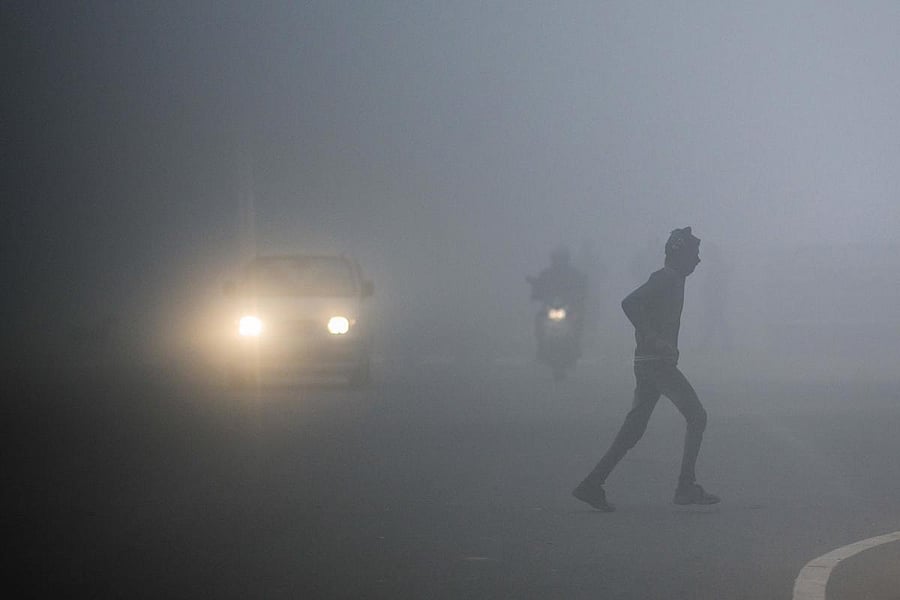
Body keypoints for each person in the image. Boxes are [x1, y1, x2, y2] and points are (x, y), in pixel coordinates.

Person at [572, 227, 719, 511]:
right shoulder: (665, 278)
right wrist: (653, 339)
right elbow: (630, 303)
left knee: (633, 429)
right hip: (656, 365)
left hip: (648, 364)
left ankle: (591, 484)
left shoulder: (674, 279)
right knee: (697, 416)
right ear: (679, 255)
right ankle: (685, 487)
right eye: (694, 255)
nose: (698, 261)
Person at [528, 245, 588, 350]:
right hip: (549, 306)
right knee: (539, 318)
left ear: (566, 259)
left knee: (578, 318)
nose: (559, 262)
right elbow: (539, 286)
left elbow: (581, 287)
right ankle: (540, 342)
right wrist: (536, 292)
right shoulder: (546, 274)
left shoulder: (574, 274)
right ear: (553, 259)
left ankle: (577, 341)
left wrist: (579, 296)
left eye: (562, 259)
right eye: (557, 259)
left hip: (569, 307)